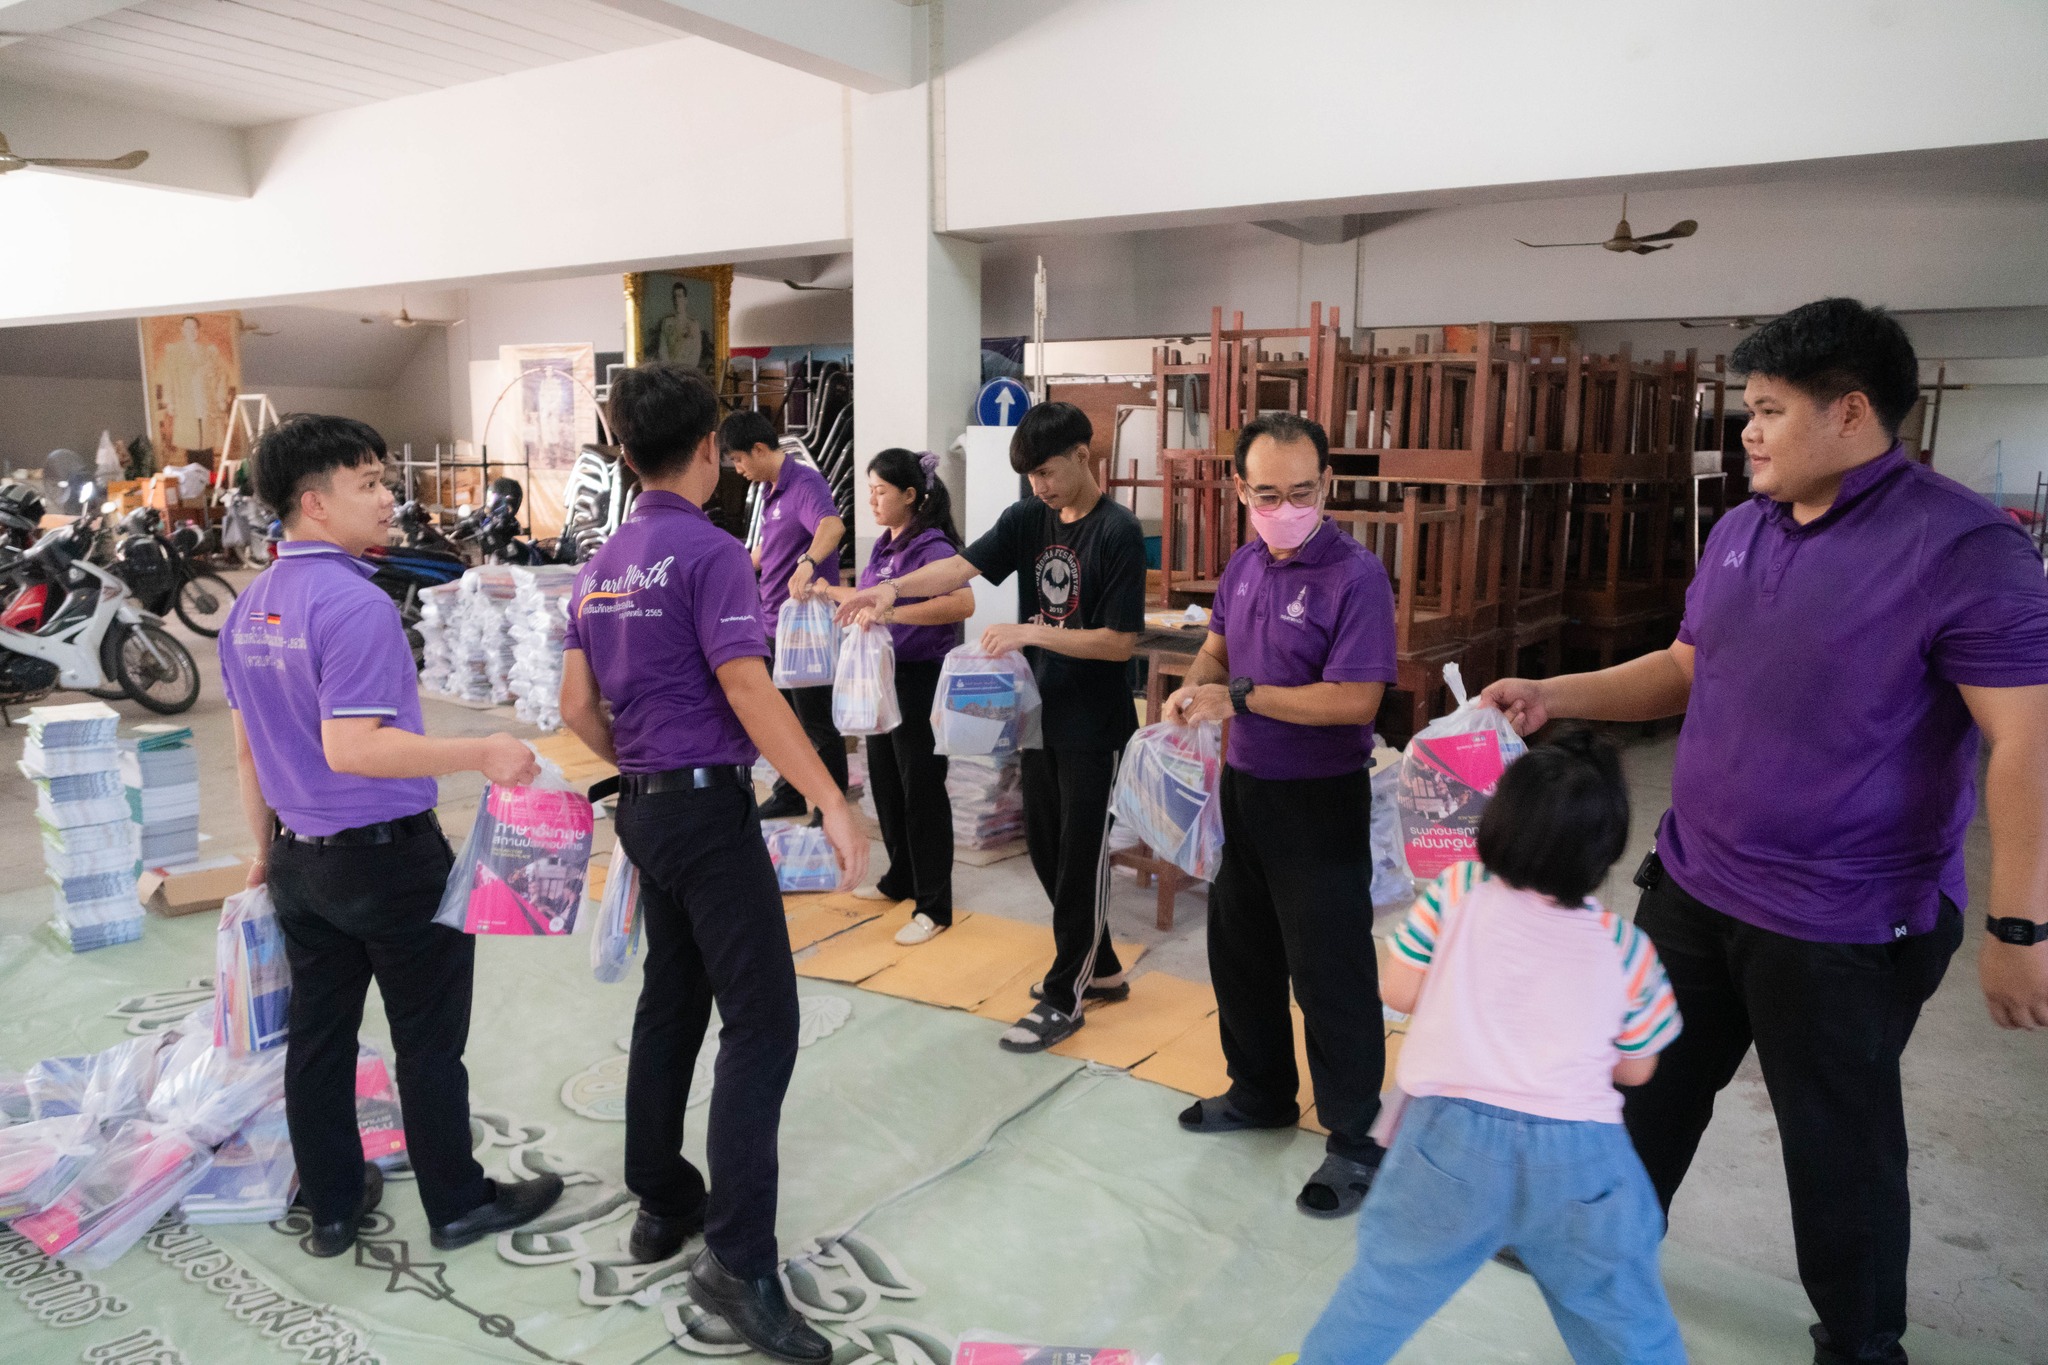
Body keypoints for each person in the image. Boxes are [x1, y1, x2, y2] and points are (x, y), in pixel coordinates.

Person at [1481, 298, 2048, 1365]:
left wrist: (2019, 927)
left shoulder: (1961, 547)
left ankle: (1859, 1340)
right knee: (1637, 1083)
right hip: (1695, 884)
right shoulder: (1742, 527)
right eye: (1744, 408)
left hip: (1840, 921)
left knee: (1836, 1148)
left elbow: (2025, 745)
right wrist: (1553, 692)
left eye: (1767, 410)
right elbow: (1688, 669)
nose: (1744, 431)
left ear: (1848, 414)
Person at [558, 364, 867, 1365]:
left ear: (623, 453)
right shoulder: (709, 553)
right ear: (707, 455)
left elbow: (574, 711)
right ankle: (736, 1259)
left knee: (672, 998)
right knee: (762, 1021)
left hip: (645, 813)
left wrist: (645, 770)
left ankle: (660, 1199)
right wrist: (827, 794)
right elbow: (746, 684)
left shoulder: (600, 562)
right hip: (703, 813)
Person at [221, 414, 564, 1260]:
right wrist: (482, 749)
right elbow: (356, 745)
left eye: (383, 478)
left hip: (302, 863)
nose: (387, 497)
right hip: (388, 862)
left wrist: (265, 852)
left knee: (320, 1037)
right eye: (367, 482)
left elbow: (247, 745)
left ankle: (333, 1206)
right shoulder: (355, 604)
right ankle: (457, 1202)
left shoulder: (250, 607)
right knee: (428, 1042)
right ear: (313, 501)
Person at [1299, 730, 1685, 1365]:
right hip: (1580, 1158)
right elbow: (1637, 1070)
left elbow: (1398, 988)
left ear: (1497, 820)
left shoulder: (1456, 893)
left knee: (1384, 1292)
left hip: (1448, 1141)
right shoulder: (1626, 949)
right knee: (1622, 1313)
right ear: (1607, 850)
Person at [837, 402, 1146, 1051]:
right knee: (1043, 842)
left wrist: (1034, 630)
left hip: (1096, 722)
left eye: (1047, 472)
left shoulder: (1117, 531)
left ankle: (1067, 991)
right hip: (1040, 714)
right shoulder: (1028, 517)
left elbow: (1120, 643)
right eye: (1029, 476)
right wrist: (893, 591)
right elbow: (960, 566)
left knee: (1081, 857)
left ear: (1082, 455)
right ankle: (1104, 967)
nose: (1039, 486)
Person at [1162, 413, 1399, 1218]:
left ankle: (1357, 1136)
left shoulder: (1356, 576)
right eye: (1268, 493)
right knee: (1242, 950)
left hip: (1320, 798)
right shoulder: (1244, 565)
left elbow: (1354, 699)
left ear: (1328, 484)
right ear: (1240, 491)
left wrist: (1238, 698)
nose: (1287, 507)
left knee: (1330, 970)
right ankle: (1260, 1089)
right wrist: (1195, 692)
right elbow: (1219, 652)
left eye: (1303, 492)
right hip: (1245, 787)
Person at [812, 448, 975, 945]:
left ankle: (935, 904)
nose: (873, 500)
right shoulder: (885, 546)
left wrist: (893, 615)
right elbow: (870, 599)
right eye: (870, 490)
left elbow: (962, 601)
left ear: (910, 495)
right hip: (881, 677)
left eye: (881, 491)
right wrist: (826, 592)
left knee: (922, 789)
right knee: (885, 783)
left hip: (919, 678)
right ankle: (900, 877)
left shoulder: (931, 545)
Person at [722, 409, 849, 821]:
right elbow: (769, 550)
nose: (738, 468)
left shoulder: (805, 482)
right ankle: (790, 793)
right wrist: (731, 566)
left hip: (805, 628)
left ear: (760, 449)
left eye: (740, 459)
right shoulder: (770, 489)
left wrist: (808, 563)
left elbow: (832, 526)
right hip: (773, 621)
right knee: (784, 719)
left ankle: (831, 806)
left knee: (815, 722)